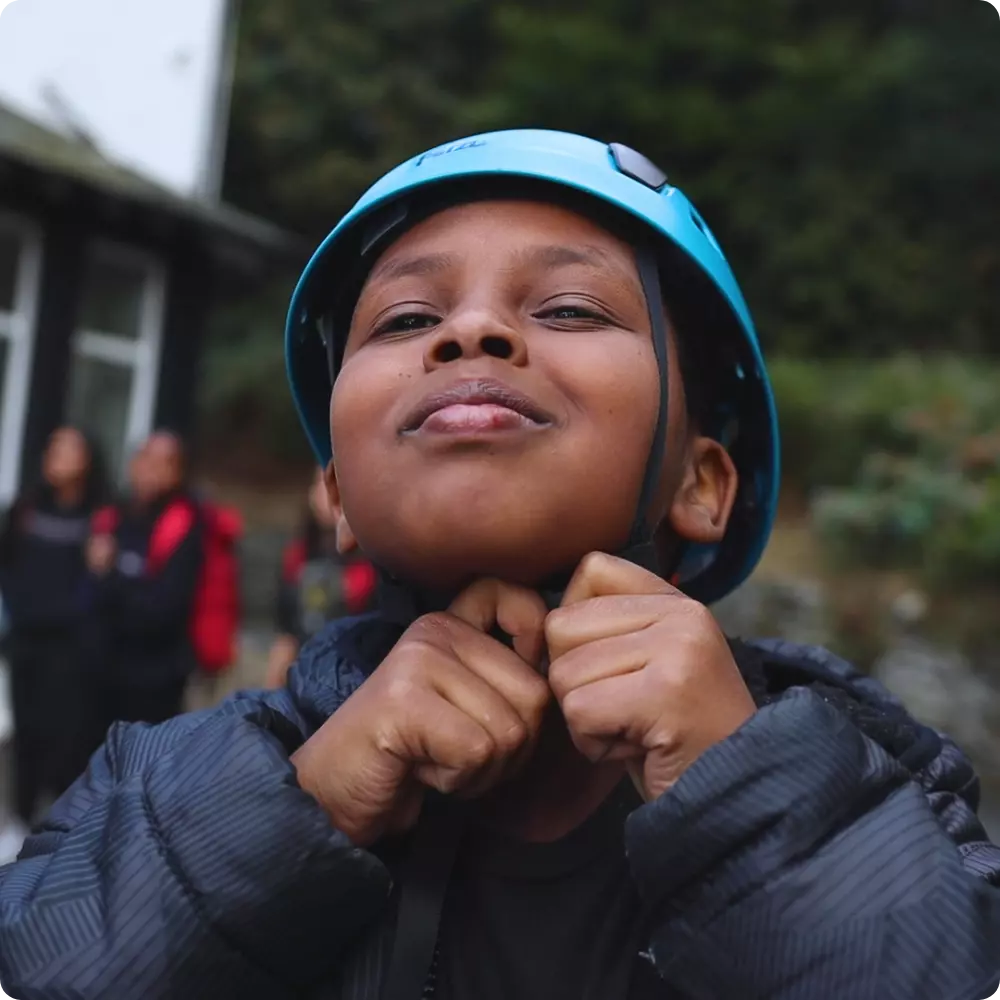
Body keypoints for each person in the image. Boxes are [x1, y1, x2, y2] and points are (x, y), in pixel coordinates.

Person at [0, 130, 997, 1000]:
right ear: (336, 495)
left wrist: (751, 797)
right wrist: (292, 812)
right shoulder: (169, 785)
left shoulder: (879, 787)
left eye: (567, 307)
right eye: (402, 320)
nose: (468, 331)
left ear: (701, 482)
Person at [0, 427, 106, 825]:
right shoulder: (25, 509)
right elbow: (7, 567)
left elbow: (94, 585)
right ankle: (18, 821)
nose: (57, 457)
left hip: (69, 650)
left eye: (69, 449)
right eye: (53, 448)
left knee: (63, 741)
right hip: (27, 642)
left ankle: (52, 831)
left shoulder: (98, 516)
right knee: (24, 736)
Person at [86, 430, 204, 728]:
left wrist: (109, 576)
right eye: (145, 458)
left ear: (178, 472)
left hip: (155, 675)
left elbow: (164, 608)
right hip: (102, 668)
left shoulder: (184, 525)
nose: (150, 469)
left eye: (164, 462)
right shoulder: (113, 516)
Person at [266, 467, 376, 688]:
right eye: (320, 484)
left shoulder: (377, 558)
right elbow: (286, 622)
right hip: (305, 671)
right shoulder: (299, 553)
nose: (325, 493)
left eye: (335, 483)